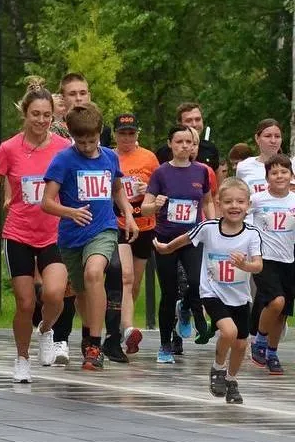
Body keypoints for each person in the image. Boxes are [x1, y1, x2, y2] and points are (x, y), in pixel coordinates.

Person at [0, 79, 72, 382]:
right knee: (25, 302)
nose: (42, 121)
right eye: (36, 114)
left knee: (55, 294)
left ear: (54, 116)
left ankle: (45, 330)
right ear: (25, 114)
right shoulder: (9, 148)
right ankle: (21, 358)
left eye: (47, 115)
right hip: (18, 232)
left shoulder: (63, 148)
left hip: (54, 232)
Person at [42, 105, 139, 371]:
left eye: (92, 140)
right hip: (72, 236)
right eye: (80, 141)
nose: (86, 146)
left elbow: (117, 189)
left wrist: (128, 215)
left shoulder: (109, 157)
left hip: (104, 228)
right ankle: (88, 335)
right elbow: (47, 202)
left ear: (100, 134)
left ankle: (96, 345)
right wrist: (69, 212)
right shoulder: (64, 160)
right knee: (82, 292)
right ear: (72, 136)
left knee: (95, 273)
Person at [154, 178, 262, 404]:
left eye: (240, 202)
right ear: (219, 204)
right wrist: (167, 248)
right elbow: (185, 239)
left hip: (240, 297)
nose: (235, 206)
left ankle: (232, 380)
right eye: (229, 201)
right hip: (212, 293)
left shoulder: (252, 233)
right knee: (228, 332)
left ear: (248, 205)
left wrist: (245, 265)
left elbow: (258, 265)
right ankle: (217, 368)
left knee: (242, 344)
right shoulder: (209, 228)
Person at [145, 125, 217, 363]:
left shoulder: (202, 172)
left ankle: (185, 308)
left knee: (197, 283)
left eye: (189, 142)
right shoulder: (161, 173)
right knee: (168, 292)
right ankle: (165, 344)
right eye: (179, 142)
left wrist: (215, 225)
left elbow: (207, 202)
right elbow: (145, 206)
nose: (184, 146)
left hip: (192, 237)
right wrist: (155, 204)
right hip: (165, 239)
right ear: (170, 144)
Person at [111, 114, 159, 355]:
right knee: (126, 277)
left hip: (145, 224)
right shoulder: (109, 157)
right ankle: (127, 328)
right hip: (119, 222)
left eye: (131, 133)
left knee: (135, 283)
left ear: (137, 134)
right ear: (115, 135)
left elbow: (161, 188)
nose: (127, 138)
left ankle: (123, 325)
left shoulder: (149, 158)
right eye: (122, 133)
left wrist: (147, 190)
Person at [248, 154, 295, 374]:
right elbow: (241, 219)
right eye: (274, 172)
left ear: (291, 175)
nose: (279, 176)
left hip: (289, 260)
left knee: (283, 311)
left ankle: (273, 353)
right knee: (276, 302)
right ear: (267, 177)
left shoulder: (294, 201)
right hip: (265, 259)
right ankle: (260, 340)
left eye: (284, 172)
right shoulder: (258, 200)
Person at [154, 102, 223, 173]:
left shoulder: (210, 149)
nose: (194, 124)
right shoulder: (164, 152)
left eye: (198, 119)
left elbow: (217, 179)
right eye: (189, 120)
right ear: (179, 123)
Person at [235, 119, 284, 196]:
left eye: (277, 136)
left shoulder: (291, 165)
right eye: (268, 136)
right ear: (257, 138)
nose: (273, 141)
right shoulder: (243, 166)